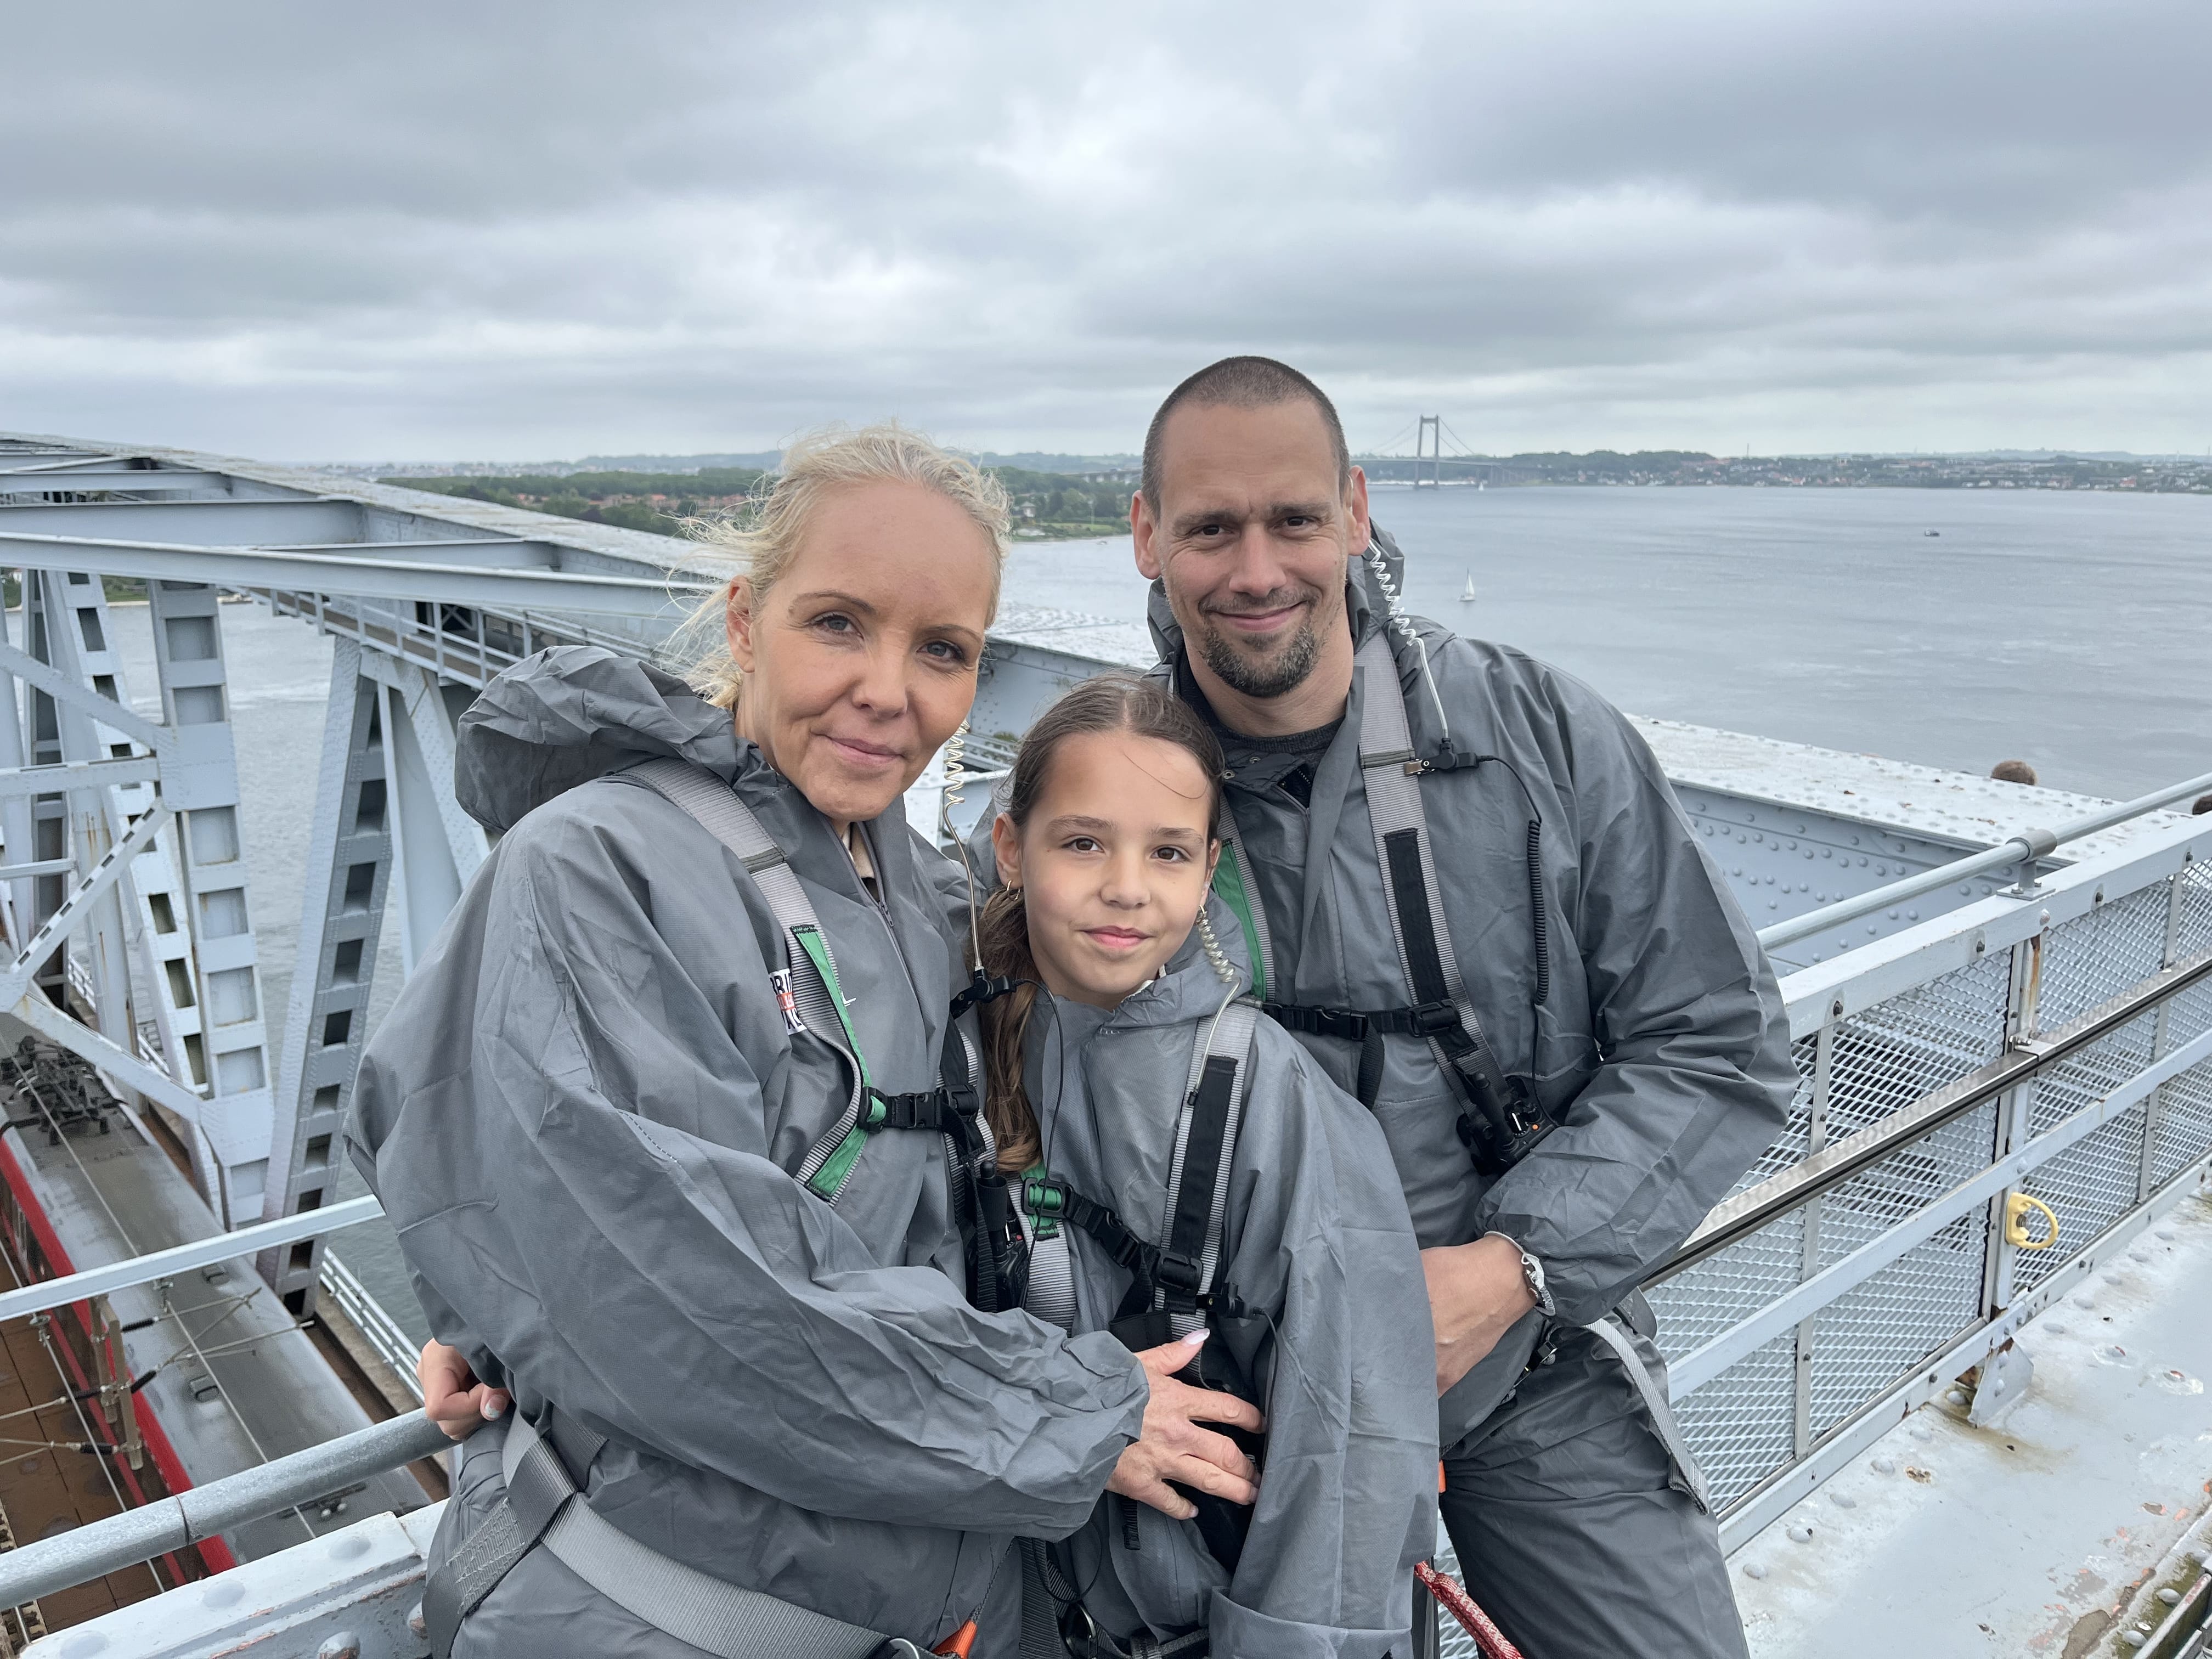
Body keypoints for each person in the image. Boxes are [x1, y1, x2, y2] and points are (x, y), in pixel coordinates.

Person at [348, 426, 1265, 1658]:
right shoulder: (589, 868)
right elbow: (690, 1300)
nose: (889, 690)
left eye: (943, 650)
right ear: (743, 621)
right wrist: (1076, 1417)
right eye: (838, 622)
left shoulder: (916, 890)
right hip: (633, 1617)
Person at [1127, 358, 1797, 1658]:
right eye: (1210, 528)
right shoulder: (1110, 788)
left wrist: (1511, 1271)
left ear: (1358, 514)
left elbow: (1718, 1036)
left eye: (1296, 521)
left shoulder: (1540, 733)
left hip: (1517, 1364)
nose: (1258, 568)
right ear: (1149, 537)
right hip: (1225, 1402)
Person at [973, 674, 1436, 1656]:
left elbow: (1349, 1430)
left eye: (1169, 852)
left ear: (1210, 868)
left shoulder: (1264, 1093)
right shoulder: (958, 1037)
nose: (1128, 886)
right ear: (1012, 850)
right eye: (1084, 841)